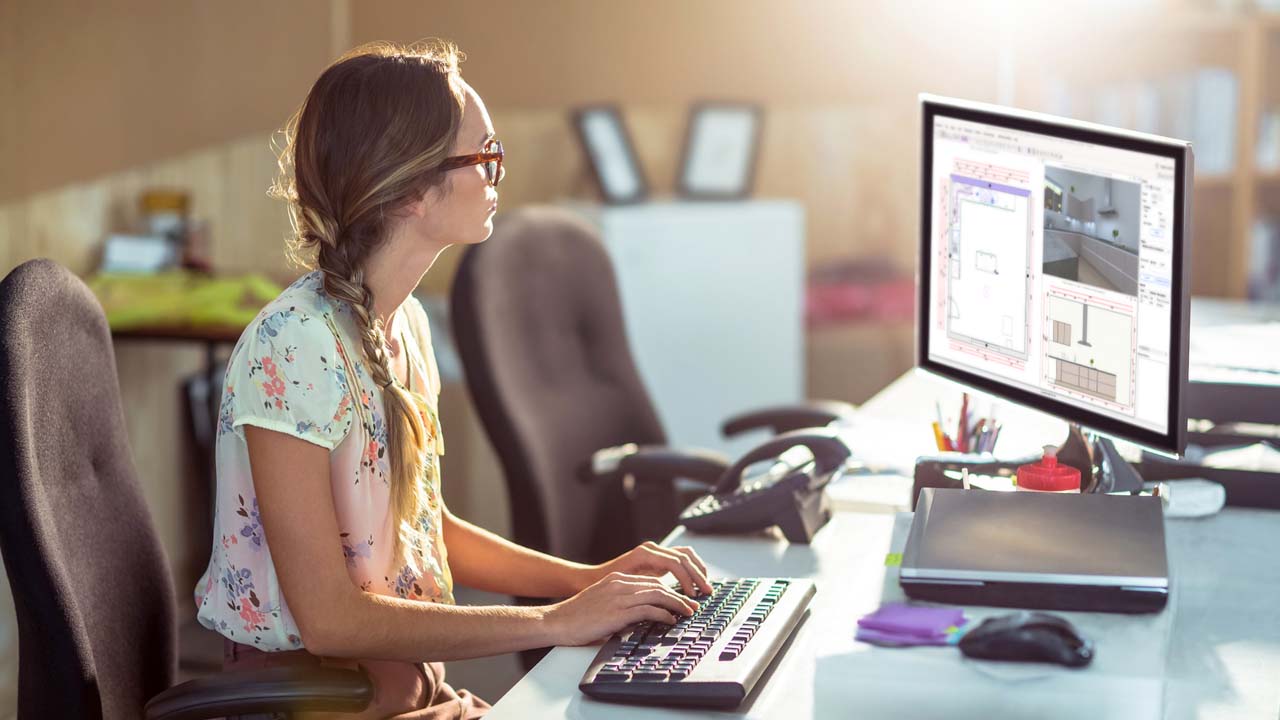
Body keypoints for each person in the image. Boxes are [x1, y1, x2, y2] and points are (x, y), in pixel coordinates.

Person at [193, 39, 712, 719]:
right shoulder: (293, 347)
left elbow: (425, 527)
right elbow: (330, 622)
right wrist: (557, 622)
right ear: (411, 188)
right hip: (326, 705)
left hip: (411, 692)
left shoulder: (402, 322)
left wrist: (591, 580)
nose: (499, 175)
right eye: (485, 157)